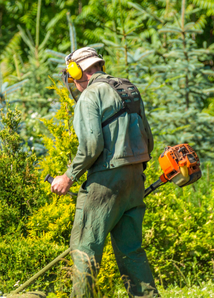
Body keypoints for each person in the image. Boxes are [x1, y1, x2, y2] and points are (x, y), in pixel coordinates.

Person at [50, 47, 159, 298]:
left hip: (105, 181)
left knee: (84, 250)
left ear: (76, 71)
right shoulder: (127, 89)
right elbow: (148, 140)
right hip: (135, 178)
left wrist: (68, 177)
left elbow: (91, 147)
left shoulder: (90, 95)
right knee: (131, 252)